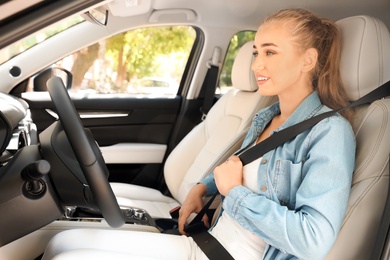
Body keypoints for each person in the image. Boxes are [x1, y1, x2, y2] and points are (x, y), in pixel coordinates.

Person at [43, 8, 355, 260]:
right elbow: (240, 170)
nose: (256, 64)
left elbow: (312, 240)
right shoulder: (267, 117)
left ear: (308, 60)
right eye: (256, 51)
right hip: (208, 243)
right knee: (62, 244)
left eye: (270, 53)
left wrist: (233, 193)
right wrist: (202, 189)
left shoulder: (329, 132)